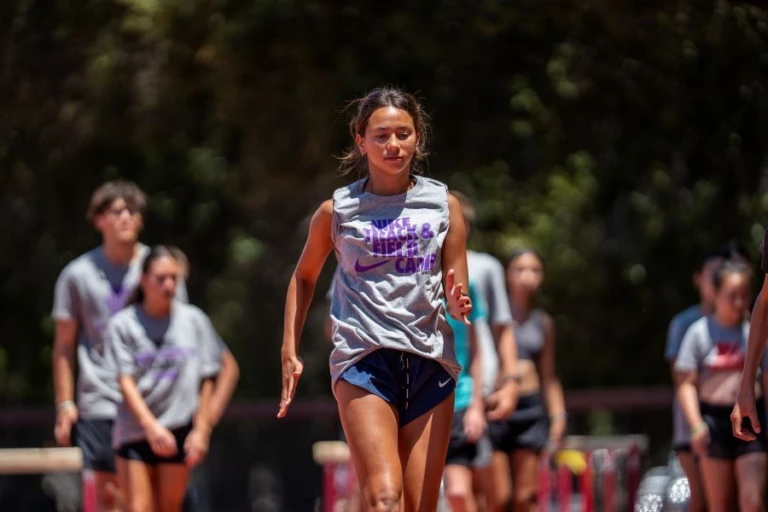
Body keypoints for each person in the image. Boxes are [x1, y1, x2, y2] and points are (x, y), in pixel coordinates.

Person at [278, 87, 472, 511]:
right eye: (381, 135)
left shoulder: (444, 206)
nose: (393, 145)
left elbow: (456, 287)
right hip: (364, 359)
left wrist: (460, 304)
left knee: (418, 506)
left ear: (418, 138)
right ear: (361, 140)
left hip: (430, 360)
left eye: (403, 134)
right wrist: (289, 349)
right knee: (384, 497)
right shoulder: (338, 210)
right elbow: (304, 277)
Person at [107, 246, 224, 512]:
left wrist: (201, 430)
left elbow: (208, 377)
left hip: (178, 428)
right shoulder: (123, 324)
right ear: (143, 280)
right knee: (140, 507)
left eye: (174, 278)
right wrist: (150, 427)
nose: (169, 285)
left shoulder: (194, 320)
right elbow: (125, 381)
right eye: (161, 278)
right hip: (136, 430)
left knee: (170, 506)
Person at [677, 260, 766, 512]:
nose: (738, 303)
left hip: (751, 418)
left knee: (752, 500)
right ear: (715, 294)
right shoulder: (698, 333)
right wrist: (696, 425)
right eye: (731, 296)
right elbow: (686, 384)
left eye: (744, 296)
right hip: (714, 420)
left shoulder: (755, 333)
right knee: (720, 504)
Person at [487, 248, 566, 512]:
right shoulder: (493, 318)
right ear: (507, 274)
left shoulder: (543, 323)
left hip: (530, 409)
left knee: (526, 496)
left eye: (534, 270)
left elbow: (549, 376)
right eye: (520, 269)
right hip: (496, 406)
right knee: (499, 497)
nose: (527, 276)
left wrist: (558, 416)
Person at [664, 248, 724, 512]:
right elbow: (681, 378)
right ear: (698, 278)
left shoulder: (746, 323)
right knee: (700, 499)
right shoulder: (685, 323)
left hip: (729, 425)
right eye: (712, 274)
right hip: (693, 425)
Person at [443, 283, 490, 512]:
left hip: (459, 399)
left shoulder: (466, 287)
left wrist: (476, 405)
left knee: (458, 493)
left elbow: (476, 351)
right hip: (416, 402)